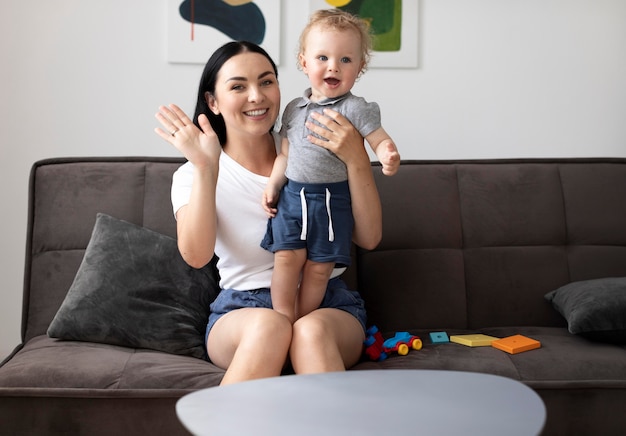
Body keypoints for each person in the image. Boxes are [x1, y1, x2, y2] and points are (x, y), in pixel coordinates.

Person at [154, 40, 382, 385]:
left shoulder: (316, 149)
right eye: (238, 86)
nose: (257, 96)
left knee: (310, 332)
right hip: (242, 310)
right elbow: (197, 256)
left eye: (266, 81)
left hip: (326, 304)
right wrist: (205, 166)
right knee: (270, 325)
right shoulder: (193, 173)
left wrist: (356, 158)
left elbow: (369, 237)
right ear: (213, 102)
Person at [261, 9, 399, 324]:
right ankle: (282, 318)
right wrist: (273, 185)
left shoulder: (356, 109)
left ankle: (302, 319)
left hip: (331, 201)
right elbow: (285, 154)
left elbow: (379, 140)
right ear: (304, 62)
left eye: (345, 60)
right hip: (292, 198)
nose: (333, 66)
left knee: (320, 267)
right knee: (286, 257)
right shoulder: (295, 109)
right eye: (322, 57)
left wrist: (388, 154)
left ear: (360, 68)